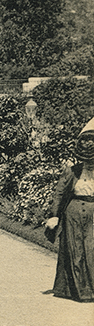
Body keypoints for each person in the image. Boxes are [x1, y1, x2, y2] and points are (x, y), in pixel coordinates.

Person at [44, 117, 94, 302]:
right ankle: (78, 291)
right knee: (74, 251)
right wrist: (54, 216)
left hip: (92, 213)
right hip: (72, 213)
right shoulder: (72, 171)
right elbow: (59, 193)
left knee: (91, 250)